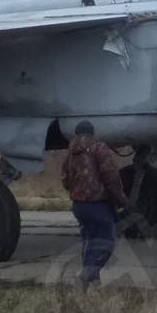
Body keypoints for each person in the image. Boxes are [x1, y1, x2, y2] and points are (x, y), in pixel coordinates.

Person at [60, 120, 127, 287]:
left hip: (79, 206)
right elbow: (111, 177)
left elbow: (65, 181)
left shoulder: (69, 153)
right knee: (107, 240)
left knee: (89, 242)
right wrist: (122, 200)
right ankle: (87, 276)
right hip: (97, 204)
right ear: (91, 133)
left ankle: (92, 284)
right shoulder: (99, 148)